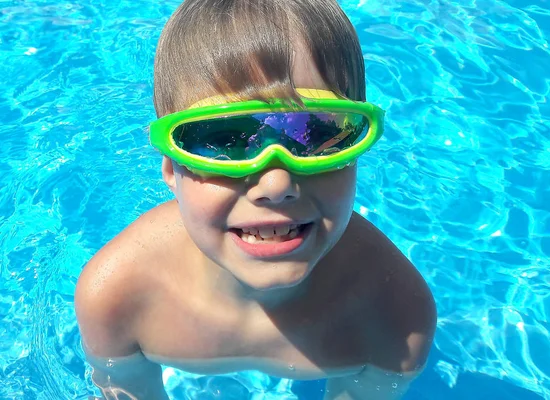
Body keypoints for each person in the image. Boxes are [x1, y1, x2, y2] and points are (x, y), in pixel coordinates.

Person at [74, 0, 437, 399]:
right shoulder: (116, 296)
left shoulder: (395, 316)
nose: (277, 182)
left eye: (316, 135)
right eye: (221, 140)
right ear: (170, 171)